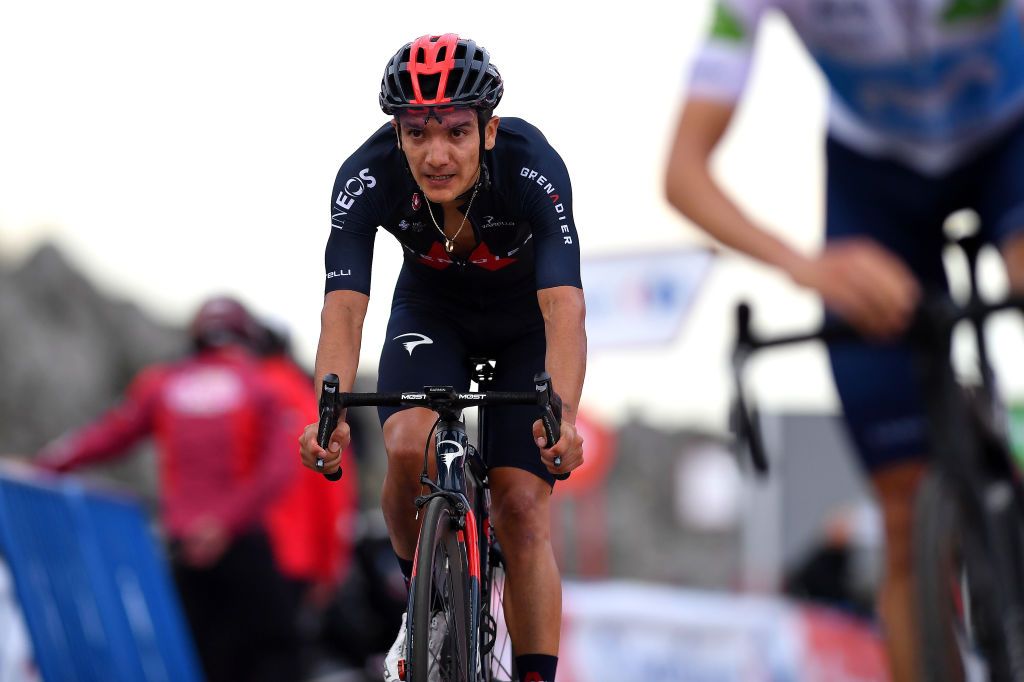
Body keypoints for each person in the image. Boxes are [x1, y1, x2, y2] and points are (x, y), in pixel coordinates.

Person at [665, 2, 1024, 680]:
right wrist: (807, 266)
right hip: (874, 177)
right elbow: (683, 173)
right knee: (902, 512)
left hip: (1010, 134)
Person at [297, 33, 587, 682]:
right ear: (396, 134)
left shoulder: (532, 165)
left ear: (489, 131)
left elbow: (565, 309)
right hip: (433, 318)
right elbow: (343, 309)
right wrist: (330, 407)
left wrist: (563, 417)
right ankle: (423, 605)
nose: (436, 154)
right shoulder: (365, 175)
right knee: (406, 445)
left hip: (525, 329)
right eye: (417, 134)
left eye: (456, 132)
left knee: (521, 508)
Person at [37, 296, 301, 682]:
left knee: (199, 662)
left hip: (183, 550)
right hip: (243, 544)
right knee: (273, 659)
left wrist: (44, 464)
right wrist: (225, 524)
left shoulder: (162, 384)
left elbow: (106, 436)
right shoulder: (264, 387)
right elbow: (280, 469)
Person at [255, 318, 360, 667]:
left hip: (238, 548)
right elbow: (333, 491)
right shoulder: (303, 401)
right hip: (294, 559)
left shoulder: (242, 393)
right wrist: (331, 566)